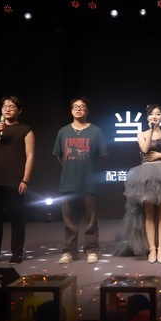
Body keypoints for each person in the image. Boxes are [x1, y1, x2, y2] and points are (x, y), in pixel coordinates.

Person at [113, 104, 161, 263]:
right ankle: (152, 250)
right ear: (147, 118)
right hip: (146, 176)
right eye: (152, 114)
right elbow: (145, 149)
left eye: (158, 114)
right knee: (149, 214)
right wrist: (152, 131)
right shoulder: (141, 134)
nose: (155, 116)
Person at [0, 95, 35, 265]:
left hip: (16, 180)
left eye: (12, 106)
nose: (8, 109)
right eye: (5, 106)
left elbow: (30, 156)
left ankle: (16, 253)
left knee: (17, 218)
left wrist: (25, 180)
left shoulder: (25, 129)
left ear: (19, 110)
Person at [53, 97, 108, 265]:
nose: (78, 109)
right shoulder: (63, 131)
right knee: (69, 221)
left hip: (89, 183)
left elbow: (101, 157)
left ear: (87, 111)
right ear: (71, 110)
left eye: (82, 106)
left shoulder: (96, 131)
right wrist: (71, 167)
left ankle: (92, 250)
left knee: (91, 220)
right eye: (75, 107)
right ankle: (70, 252)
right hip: (68, 182)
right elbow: (59, 155)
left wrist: (89, 170)